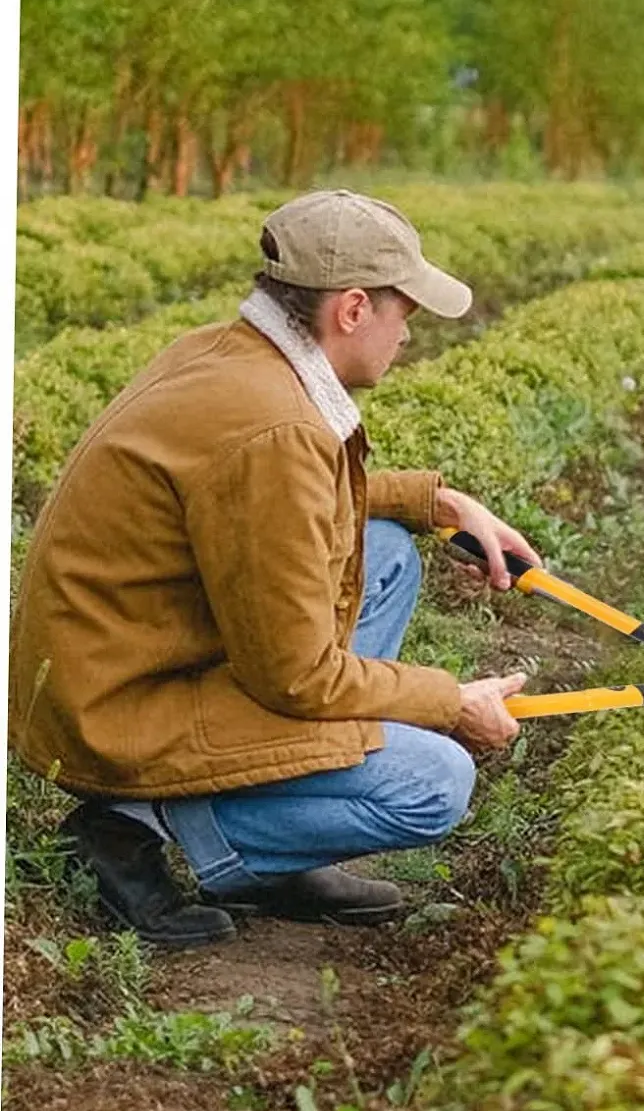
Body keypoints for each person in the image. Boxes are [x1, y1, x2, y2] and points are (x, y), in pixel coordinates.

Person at [10, 190, 537, 948]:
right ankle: (129, 825)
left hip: (122, 664)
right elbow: (297, 677)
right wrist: (448, 701)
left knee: (383, 553)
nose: (409, 336)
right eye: (406, 313)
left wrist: (438, 502)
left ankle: (275, 833)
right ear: (352, 310)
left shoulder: (228, 354)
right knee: (434, 782)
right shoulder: (275, 426)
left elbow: (269, 503)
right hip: (120, 714)